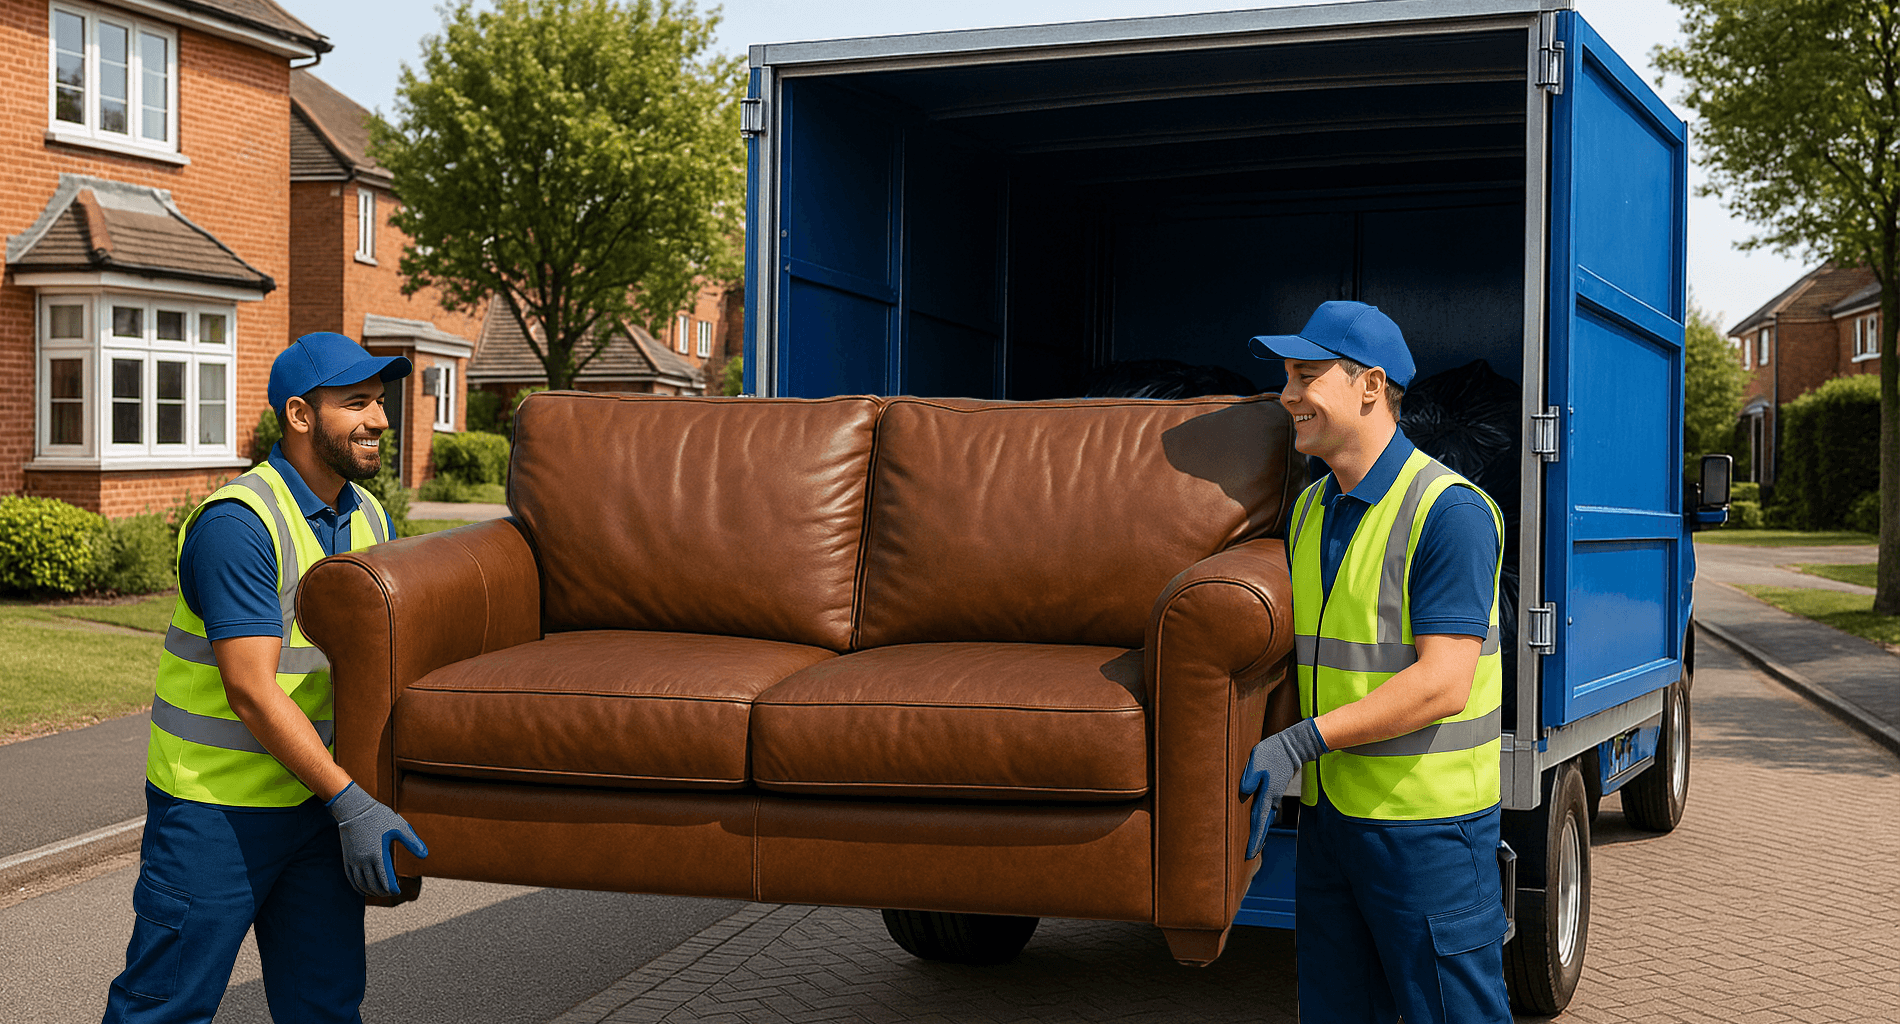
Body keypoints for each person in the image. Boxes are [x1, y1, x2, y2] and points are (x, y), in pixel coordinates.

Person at [103, 332, 429, 1024]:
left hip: (319, 807)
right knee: (164, 1010)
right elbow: (252, 690)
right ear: (301, 415)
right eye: (356, 403)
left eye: (378, 401)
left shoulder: (371, 516)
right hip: (215, 814)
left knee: (325, 1007)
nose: (379, 419)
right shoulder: (240, 525)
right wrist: (354, 803)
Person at [1239, 301, 1510, 1024]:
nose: (1287, 395)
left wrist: (1302, 740)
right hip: (1332, 823)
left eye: (1306, 375)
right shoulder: (1310, 508)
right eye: (1285, 377)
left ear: (1369, 385)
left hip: (1428, 831)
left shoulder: (1448, 512)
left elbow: (1444, 684)